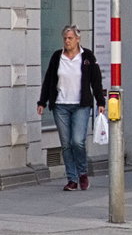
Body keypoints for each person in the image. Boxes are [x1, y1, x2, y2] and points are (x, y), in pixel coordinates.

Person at [37, 25, 105, 191]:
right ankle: (72, 179)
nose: (67, 41)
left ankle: (82, 173)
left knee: (77, 141)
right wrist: (42, 102)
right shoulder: (57, 57)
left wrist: (100, 102)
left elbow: (96, 81)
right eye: (65, 38)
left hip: (81, 105)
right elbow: (49, 80)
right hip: (61, 105)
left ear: (77, 39)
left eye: (70, 38)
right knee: (66, 144)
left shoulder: (87, 56)